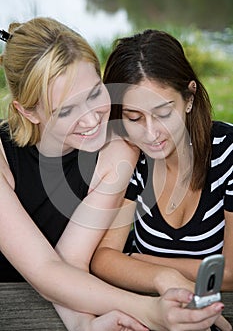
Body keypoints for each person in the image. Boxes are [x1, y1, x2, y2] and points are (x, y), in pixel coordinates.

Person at [0, 18, 225, 331]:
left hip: (75, 299)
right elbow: (46, 269)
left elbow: (72, 261)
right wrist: (148, 310)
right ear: (28, 111)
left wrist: (84, 325)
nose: (92, 119)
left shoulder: (119, 148)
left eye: (95, 94)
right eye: (65, 110)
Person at [90, 29, 233, 330]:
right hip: (148, 311)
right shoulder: (130, 156)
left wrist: (136, 261)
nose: (151, 134)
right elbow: (103, 259)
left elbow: (231, 272)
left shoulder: (228, 153)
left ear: (189, 98)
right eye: (134, 117)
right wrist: (162, 277)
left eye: (164, 112)